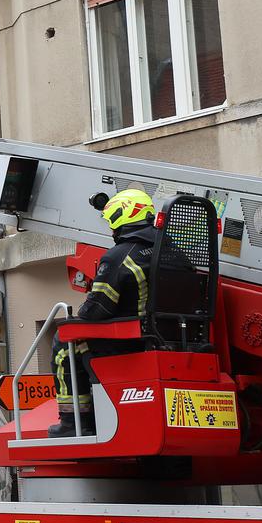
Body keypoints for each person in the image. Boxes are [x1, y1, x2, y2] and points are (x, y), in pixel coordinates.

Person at [48, 188, 159, 438]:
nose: (111, 229)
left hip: (129, 346)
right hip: (168, 343)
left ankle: (73, 421)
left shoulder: (119, 256)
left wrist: (75, 320)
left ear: (122, 216)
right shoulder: (173, 252)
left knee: (64, 340)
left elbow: (96, 311)